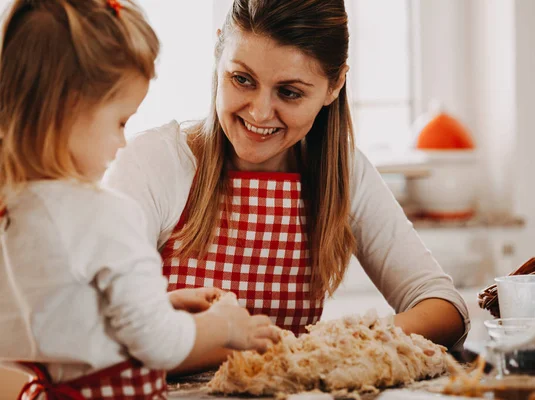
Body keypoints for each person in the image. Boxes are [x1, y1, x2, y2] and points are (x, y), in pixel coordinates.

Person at [104, 0, 469, 365]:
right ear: (219, 55)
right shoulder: (156, 163)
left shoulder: (342, 172)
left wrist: (348, 342)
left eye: (290, 92)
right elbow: (93, 334)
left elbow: (445, 307)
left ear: (334, 86)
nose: (260, 112)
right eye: (242, 79)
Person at [0, 0, 278, 398]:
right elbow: (160, 344)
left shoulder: (12, 209)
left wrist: (158, 303)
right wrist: (226, 326)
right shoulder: (102, 213)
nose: (122, 141)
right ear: (68, 108)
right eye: (121, 121)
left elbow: (66, 326)